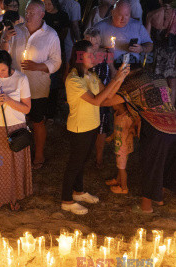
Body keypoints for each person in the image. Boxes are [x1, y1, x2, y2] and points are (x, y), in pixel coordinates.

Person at [102, 63, 176, 215]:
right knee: (166, 163)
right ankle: (159, 198)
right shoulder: (157, 77)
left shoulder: (130, 84)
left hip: (157, 128)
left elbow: (105, 101)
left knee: (151, 166)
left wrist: (117, 80)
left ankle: (146, 207)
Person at [61, 40, 129, 215]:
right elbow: (97, 101)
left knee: (82, 162)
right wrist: (116, 79)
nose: (94, 57)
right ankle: (66, 200)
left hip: (91, 125)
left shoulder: (91, 75)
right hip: (79, 128)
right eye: (90, 54)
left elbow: (107, 96)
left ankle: (78, 192)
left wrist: (120, 79)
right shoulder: (74, 80)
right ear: (79, 56)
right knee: (74, 164)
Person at [0, 0, 62, 169]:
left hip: (37, 87)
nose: (27, 16)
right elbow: (2, 55)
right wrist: (5, 39)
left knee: (37, 120)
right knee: (17, 121)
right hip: (15, 87)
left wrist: (38, 66)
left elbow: (56, 62)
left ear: (42, 14)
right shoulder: (16, 31)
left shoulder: (51, 35)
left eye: (32, 13)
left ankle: (39, 153)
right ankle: (18, 151)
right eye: (26, 12)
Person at [0, 50, 32, 211]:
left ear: (9, 66)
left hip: (16, 127)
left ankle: (14, 197)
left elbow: (27, 108)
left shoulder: (21, 79)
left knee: (14, 165)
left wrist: (8, 100)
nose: (0, 74)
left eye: (3, 70)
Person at [84, 27, 114, 169]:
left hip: (103, 95)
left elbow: (112, 71)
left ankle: (99, 157)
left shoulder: (106, 54)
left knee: (102, 127)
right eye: (89, 43)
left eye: (95, 43)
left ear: (100, 43)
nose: (93, 47)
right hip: (88, 95)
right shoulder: (81, 56)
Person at [146, 0, 176, 107]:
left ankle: (161, 104)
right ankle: (170, 108)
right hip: (171, 53)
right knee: (172, 81)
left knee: (159, 80)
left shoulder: (151, 14)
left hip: (157, 52)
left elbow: (147, 36)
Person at [94, 0, 153, 65]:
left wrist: (142, 48)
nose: (123, 19)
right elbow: (88, 48)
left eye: (126, 15)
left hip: (132, 66)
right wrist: (103, 50)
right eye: (120, 15)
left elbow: (150, 45)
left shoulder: (137, 26)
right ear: (113, 12)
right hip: (108, 66)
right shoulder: (100, 27)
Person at [44, 0, 70, 121]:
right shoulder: (43, 14)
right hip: (43, 52)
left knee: (54, 80)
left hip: (56, 50)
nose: (46, 6)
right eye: (44, 3)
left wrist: (53, 41)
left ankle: (52, 111)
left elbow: (64, 33)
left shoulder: (62, 16)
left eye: (48, 3)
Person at [105, 102, 138, 194]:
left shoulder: (127, 117)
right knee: (120, 165)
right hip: (120, 145)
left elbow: (133, 130)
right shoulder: (117, 114)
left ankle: (124, 188)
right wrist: (112, 137)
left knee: (122, 168)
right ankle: (117, 180)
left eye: (113, 103)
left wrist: (130, 136)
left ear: (119, 104)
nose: (112, 104)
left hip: (123, 146)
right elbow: (117, 129)